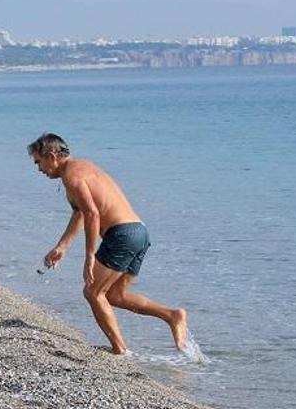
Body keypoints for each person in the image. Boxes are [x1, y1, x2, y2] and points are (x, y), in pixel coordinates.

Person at [28, 132, 187, 355]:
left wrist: (89, 257)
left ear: (52, 156)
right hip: (139, 232)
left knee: (92, 292)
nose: (39, 169)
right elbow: (80, 214)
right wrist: (62, 246)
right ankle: (172, 315)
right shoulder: (82, 168)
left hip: (121, 235)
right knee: (115, 296)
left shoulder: (71, 177)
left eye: (39, 161)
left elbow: (92, 214)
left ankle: (119, 349)